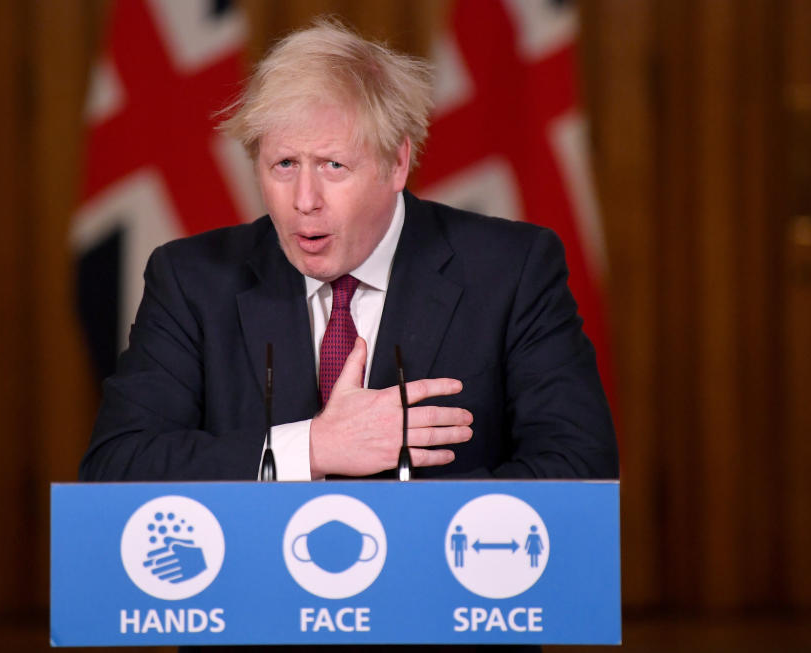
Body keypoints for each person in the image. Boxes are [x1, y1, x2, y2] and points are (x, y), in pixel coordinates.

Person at [79, 19, 617, 485]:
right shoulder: (193, 280)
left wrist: (392, 527)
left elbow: (579, 468)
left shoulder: (511, 270)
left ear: (396, 164)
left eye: (334, 166)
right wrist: (312, 449)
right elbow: (118, 466)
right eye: (284, 165)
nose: (304, 202)